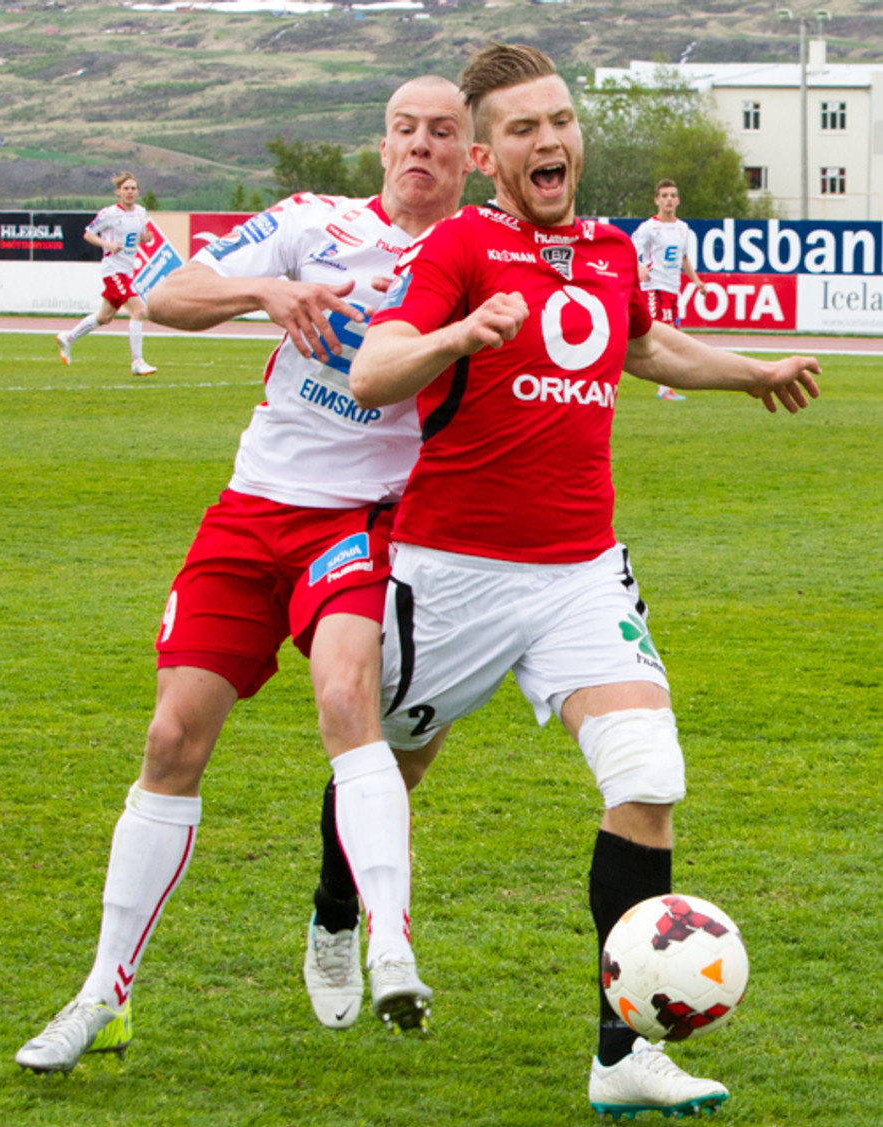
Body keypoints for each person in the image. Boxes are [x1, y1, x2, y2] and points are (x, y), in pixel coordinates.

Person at [347, 44, 820, 1120]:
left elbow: (644, 349)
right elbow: (374, 371)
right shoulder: (459, 246)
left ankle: (622, 1053)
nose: (549, 140)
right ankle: (339, 909)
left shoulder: (608, 247)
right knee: (388, 767)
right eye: (522, 129)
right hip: (452, 573)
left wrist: (751, 373)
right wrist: (462, 332)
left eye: (559, 120)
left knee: (648, 774)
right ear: (485, 155)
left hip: (580, 574)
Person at [15, 75, 474, 1076]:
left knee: (347, 695)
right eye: (404, 129)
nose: (420, 146)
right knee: (172, 736)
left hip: (368, 516)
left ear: (470, 152)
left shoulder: (476, 253)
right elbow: (167, 294)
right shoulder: (311, 222)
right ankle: (104, 993)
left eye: (442, 131)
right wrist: (266, 291)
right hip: (253, 504)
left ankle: (385, 943)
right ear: (382, 144)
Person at [56, 172, 158, 376]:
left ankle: (68, 337)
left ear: (137, 191)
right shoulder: (109, 213)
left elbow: (138, 236)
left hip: (127, 271)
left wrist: (145, 237)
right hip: (113, 270)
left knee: (104, 317)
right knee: (138, 310)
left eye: (133, 188)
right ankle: (137, 362)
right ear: (118, 192)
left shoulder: (141, 212)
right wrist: (108, 245)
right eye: (126, 188)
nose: (130, 192)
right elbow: (88, 234)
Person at [631, 179, 707, 401]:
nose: (669, 199)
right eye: (664, 196)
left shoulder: (682, 228)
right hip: (655, 287)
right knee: (664, 336)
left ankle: (665, 385)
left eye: (672, 195)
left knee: (671, 336)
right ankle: (664, 388)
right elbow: (630, 251)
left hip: (673, 289)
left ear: (678, 200)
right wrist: (639, 268)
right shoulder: (649, 227)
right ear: (657, 200)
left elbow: (684, 258)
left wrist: (696, 281)